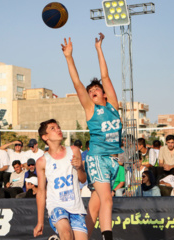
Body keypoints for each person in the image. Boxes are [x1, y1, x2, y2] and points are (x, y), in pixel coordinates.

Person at [61, 33, 121, 240]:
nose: (93, 90)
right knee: (108, 200)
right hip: (97, 158)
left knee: (94, 208)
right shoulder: (90, 109)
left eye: (97, 89)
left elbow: (105, 77)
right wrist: (69, 57)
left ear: (104, 94)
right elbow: (77, 82)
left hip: (113, 161)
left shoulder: (113, 106)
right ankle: (108, 237)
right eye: (91, 90)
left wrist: (99, 48)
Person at [34, 119, 87, 240]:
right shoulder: (42, 161)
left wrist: (79, 168)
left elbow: (83, 180)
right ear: (45, 137)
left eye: (58, 127)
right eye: (53, 128)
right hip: (57, 206)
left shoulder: (74, 150)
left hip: (76, 207)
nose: (58, 129)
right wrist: (40, 222)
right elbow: (41, 192)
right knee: (66, 234)